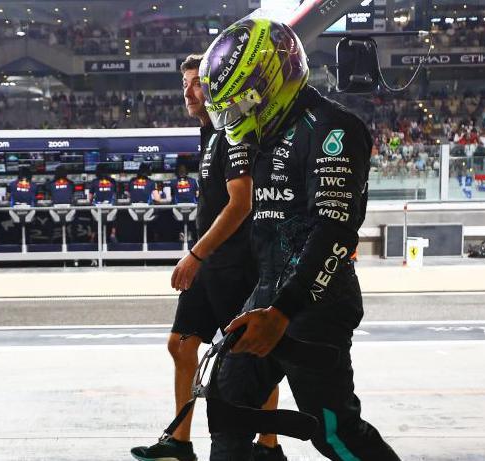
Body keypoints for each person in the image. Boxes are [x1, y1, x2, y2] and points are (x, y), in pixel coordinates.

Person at [198, 17, 400, 460]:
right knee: (226, 412)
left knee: (333, 431)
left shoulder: (334, 129)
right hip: (268, 296)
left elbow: (334, 230)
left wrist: (283, 311)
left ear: (265, 86)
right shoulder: (269, 135)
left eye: (238, 106)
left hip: (316, 306)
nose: (236, 120)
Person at [131, 54, 283, 461]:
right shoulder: (208, 134)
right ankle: (179, 442)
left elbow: (241, 203)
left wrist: (195, 255)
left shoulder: (232, 132)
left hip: (236, 265)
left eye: (197, 82)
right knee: (180, 345)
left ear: (217, 86)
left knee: (253, 354)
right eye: (185, 83)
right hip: (210, 263)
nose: (188, 90)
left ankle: (268, 447)